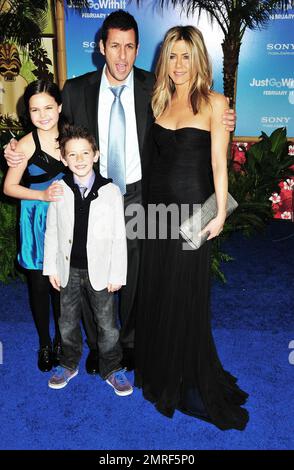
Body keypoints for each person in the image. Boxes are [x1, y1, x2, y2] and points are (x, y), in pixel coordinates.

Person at [4, 10, 237, 374]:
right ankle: (98, 346)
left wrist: (225, 118)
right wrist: (18, 149)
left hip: (140, 194)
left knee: (133, 271)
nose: (122, 55)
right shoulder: (77, 90)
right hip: (90, 195)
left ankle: (127, 344)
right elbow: (56, 138)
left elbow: (194, 123)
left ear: (138, 48)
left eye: (130, 47)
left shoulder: (155, 89)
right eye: (115, 46)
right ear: (101, 47)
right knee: (86, 269)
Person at [134, 26, 249, 431]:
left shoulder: (217, 103)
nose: (178, 65)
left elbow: (220, 163)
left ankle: (186, 376)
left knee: (185, 294)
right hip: (157, 211)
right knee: (160, 288)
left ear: (199, 59)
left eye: (186, 56)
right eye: (172, 56)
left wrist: (219, 212)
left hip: (194, 211)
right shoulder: (159, 100)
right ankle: (163, 366)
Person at [43, 125, 132, 396]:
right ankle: (68, 363)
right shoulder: (58, 189)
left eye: (85, 153)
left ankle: (112, 368)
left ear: (96, 155)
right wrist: (51, 269)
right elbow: (53, 232)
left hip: (102, 272)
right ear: (63, 158)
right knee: (66, 321)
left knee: (107, 324)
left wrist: (117, 273)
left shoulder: (110, 191)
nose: (79, 159)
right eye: (72, 154)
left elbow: (119, 236)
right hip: (67, 269)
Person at [3, 80, 65, 372]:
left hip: (67, 221)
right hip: (36, 221)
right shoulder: (25, 145)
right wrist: (41, 195)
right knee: (39, 287)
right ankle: (44, 343)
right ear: (28, 113)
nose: (43, 115)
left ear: (60, 107)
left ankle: (64, 341)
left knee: (63, 287)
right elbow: (9, 187)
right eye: (35, 109)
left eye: (48, 107)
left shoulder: (72, 137)